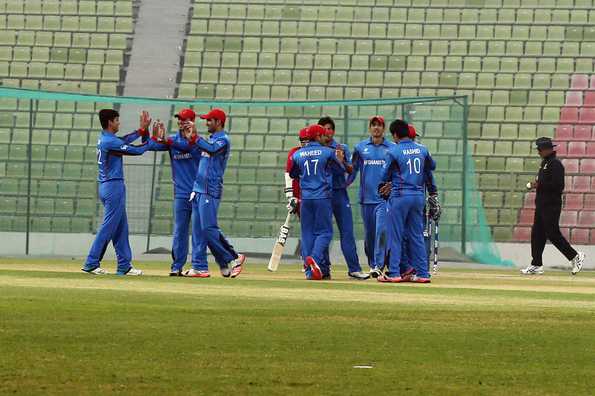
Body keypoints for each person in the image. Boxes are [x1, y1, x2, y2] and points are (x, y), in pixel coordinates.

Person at [148, 109, 231, 276]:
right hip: (180, 193)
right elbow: (152, 146)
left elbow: (186, 145)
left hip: (198, 192)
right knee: (179, 231)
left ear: (192, 121)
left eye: (184, 120)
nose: (180, 122)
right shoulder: (173, 140)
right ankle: (177, 266)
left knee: (199, 231)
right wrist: (148, 135)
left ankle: (201, 265)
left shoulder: (196, 141)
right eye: (179, 119)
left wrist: (166, 141)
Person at [169, 108, 246, 278]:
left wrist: (195, 138)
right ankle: (204, 267)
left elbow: (210, 149)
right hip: (198, 190)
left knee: (208, 228)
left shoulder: (223, 140)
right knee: (203, 230)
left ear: (219, 122)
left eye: (209, 120)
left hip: (210, 189)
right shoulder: (210, 139)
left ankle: (235, 257)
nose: (206, 123)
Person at [82, 109, 157, 275]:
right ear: (110, 122)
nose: (119, 123)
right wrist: (151, 140)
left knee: (121, 227)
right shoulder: (110, 142)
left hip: (108, 186)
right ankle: (91, 262)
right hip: (113, 187)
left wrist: (142, 130)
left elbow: (124, 140)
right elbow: (136, 150)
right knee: (108, 227)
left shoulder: (106, 139)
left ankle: (124, 265)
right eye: (117, 120)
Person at [378, 119, 436, 283]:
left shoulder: (393, 151)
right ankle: (423, 274)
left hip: (400, 195)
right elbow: (432, 166)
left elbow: (384, 176)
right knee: (416, 235)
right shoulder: (423, 150)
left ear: (395, 135)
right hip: (418, 196)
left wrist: (385, 185)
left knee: (395, 235)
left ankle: (394, 272)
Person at [521, 137, 585, 275]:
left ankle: (575, 256)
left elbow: (558, 186)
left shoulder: (555, 164)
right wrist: (536, 184)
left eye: (539, 149)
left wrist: (538, 185)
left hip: (551, 205)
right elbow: (542, 183)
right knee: (537, 234)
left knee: (552, 234)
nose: (538, 152)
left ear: (547, 149)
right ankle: (536, 264)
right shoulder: (545, 163)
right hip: (542, 205)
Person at [289, 124, 345, 280]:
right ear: (318, 137)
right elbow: (339, 171)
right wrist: (340, 160)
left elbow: (293, 174)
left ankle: (309, 272)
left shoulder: (298, 154)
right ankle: (313, 258)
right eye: (323, 135)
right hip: (322, 197)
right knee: (325, 232)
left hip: (306, 199)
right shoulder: (327, 152)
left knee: (307, 234)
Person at [318, 117, 368, 280]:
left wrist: (342, 161)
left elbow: (350, 169)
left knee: (347, 232)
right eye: (325, 129)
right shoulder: (315, 149)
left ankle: (354, 269)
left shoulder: (341, 148)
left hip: (339, 194)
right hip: (323, 195)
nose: (329, 132)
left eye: (331, 129)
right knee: (324, 232)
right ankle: (323, 269)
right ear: (320, 131)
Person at [348, 116, 395, 278]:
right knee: (369, 237)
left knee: (381, 231)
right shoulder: (360, 148)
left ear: (384, 128)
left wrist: (393, 186)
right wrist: (343, 185)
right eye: (373, 125)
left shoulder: (392, 148)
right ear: (370, 128)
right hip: (365, 199)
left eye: (379, 125)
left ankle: (378, 265)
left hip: (383, 199)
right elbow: (352, 171)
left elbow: (398, 171)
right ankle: (372, 263)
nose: (376, 128)